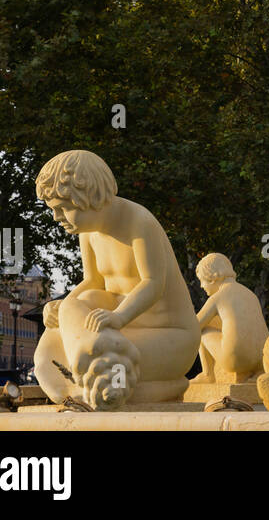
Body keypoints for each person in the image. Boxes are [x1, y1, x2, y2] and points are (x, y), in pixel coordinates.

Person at [32, 150, 200, 408]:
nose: (56, 217)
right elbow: (93, 282)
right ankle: (92, 390)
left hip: (170, 337)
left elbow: (153, 283)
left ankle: (110, 380)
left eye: (63, 208)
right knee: (48, 351)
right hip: (115, 335)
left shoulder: (139, 222)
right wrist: (61, 308)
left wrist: (119, 316)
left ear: (88, 197)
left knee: (83, 310)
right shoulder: (87, 231)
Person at [192, 253, 269, 384]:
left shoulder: (218, 297)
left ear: (212, 278)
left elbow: (194, 326)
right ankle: (254, 372)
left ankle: (208, 374)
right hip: (261, 360)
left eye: (201, 280)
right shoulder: (250, 294)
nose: (201, 286)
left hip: (235, 360)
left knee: (202, 330)